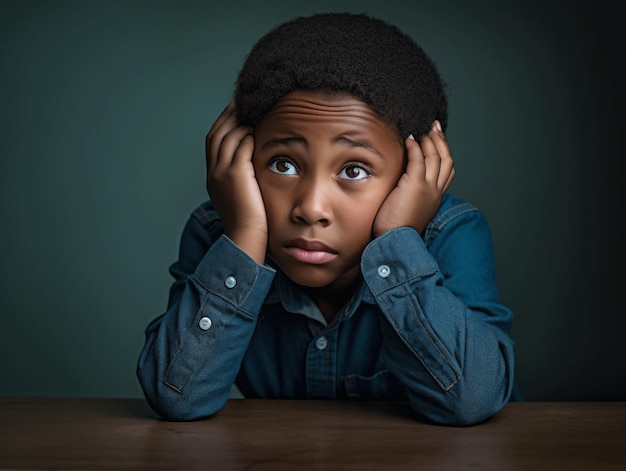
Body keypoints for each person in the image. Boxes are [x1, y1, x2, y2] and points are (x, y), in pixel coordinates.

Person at [137, 12, 517, 426]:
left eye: (353, 170)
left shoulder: (451, 233)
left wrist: (398, 239)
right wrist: (245, 235)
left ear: (414, 173)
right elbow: (176, 397)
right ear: (241, 159)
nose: (311, 208)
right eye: (283, 164)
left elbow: (471, 400)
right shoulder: (219, 234)